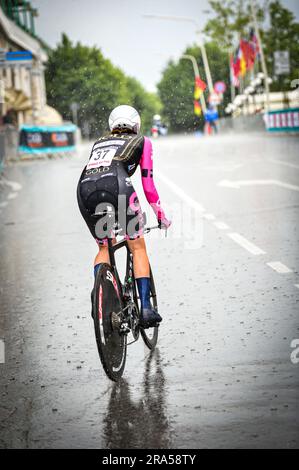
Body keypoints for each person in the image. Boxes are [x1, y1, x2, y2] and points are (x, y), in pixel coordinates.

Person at [77, 105, 171, 328]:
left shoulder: (99, 142)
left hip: (85, 189)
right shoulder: (142, 141)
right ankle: (146, 308)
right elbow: (148, 185)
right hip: (117, 186)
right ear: (136, 125)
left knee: (104, 247)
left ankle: (99, 297)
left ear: (112, 125)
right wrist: (161, 215)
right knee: (136, 245)